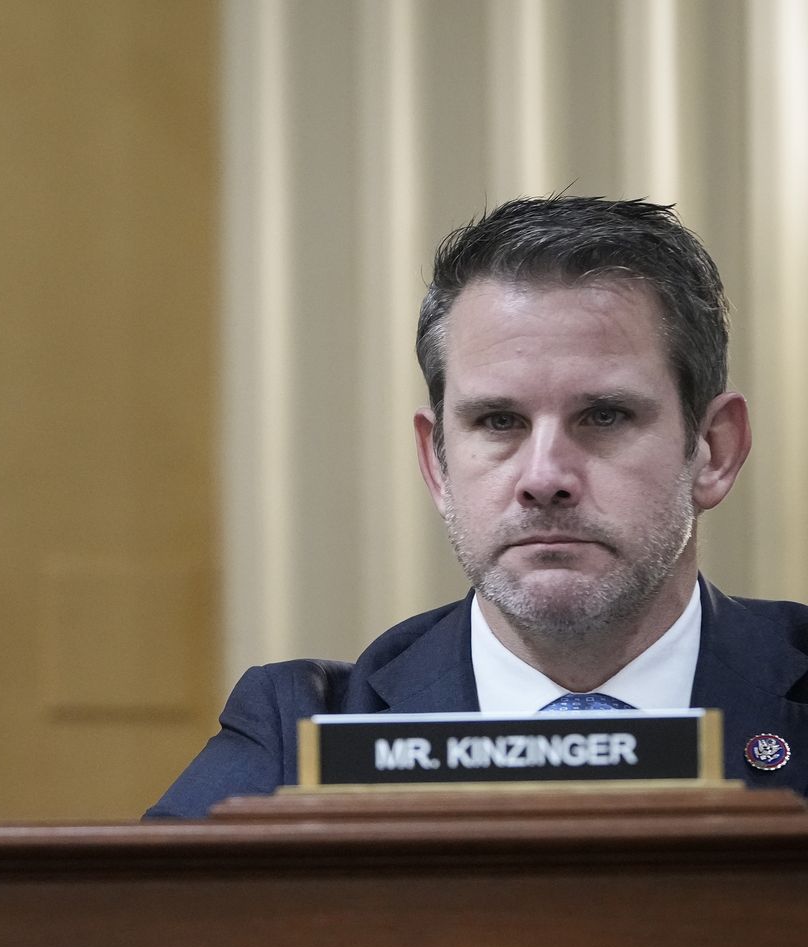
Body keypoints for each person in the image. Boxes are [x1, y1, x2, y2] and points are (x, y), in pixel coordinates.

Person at [149, 195, 808, 818]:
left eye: (604, 415)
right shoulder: (300, 742)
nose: (545, 477)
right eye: (498, 421)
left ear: (714, 451)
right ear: (437, 462)